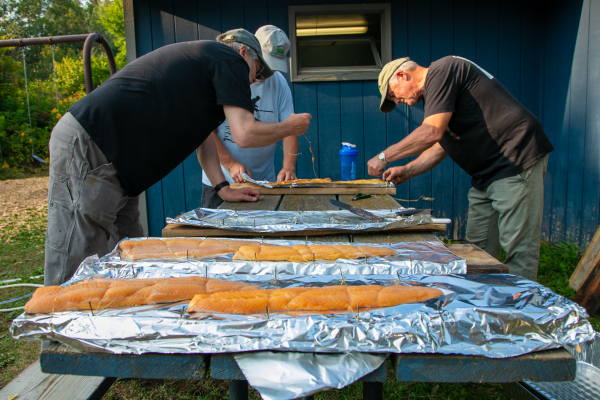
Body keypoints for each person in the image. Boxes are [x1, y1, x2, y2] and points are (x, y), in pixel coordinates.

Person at [45, 29, 311, 285]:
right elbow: (244, 134)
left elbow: (203, 138)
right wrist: (289, 127)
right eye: (257, 70)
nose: (256, 79)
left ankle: (117, 315)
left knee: (130, 253)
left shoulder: (208, 73)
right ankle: (59, 322)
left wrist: (222, 187)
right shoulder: (227, 59)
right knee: (78, 254)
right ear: (243, 53)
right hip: (93, 144)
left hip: (122, 168)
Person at [367, 56, 554, 280]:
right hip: (485, 175)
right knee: (477, 247)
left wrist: (384, 157)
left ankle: (522, 310)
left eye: (393, 95)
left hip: (515, 159)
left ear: (401, 75)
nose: (397, 102)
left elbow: (431, 132)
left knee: (519, 250)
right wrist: (407, 170)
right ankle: (481, 301)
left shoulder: (442, 70)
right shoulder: (436, 95)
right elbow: (441, 146)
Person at [200, 26, 298, 209]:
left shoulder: (279, 83)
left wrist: (288, 167)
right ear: (248, 52)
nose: (265, 73)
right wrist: (230, 165)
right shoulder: (222, 77)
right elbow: (205, 132)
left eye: (272, 67)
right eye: (262, 66)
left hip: (263, 182)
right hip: (221, 180)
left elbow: (290, 128)